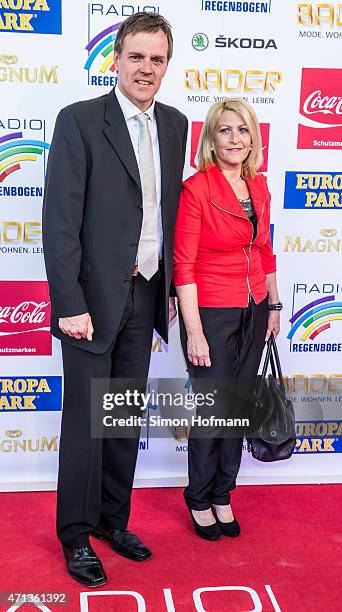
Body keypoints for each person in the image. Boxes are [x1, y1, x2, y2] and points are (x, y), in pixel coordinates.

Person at [42, 12, 188, 587]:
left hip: (148, 293)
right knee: (86, 424)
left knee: (124, 419)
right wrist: (69, 301)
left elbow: (167, 213)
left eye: (157, 59)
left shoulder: (176, 124)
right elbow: (59, 222)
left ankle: (111, 519)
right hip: (90, 303)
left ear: (166, 66)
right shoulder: (79, 121)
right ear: (116, 60)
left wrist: (172, 288)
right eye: (137, 57)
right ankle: (75, 535)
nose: (146, 68)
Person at [173, 98, 281, 541]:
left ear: (253, 138)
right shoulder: (196, 188)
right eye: (225, 130)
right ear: (210, 139)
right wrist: (194, 332)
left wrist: (273, 305)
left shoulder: (260, 187)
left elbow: (265, 250)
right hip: (211, 313)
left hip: (254, 308)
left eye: (242, 130)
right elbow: (184, 264)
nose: (235, 139)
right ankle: (198, 496)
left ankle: (223, 492)